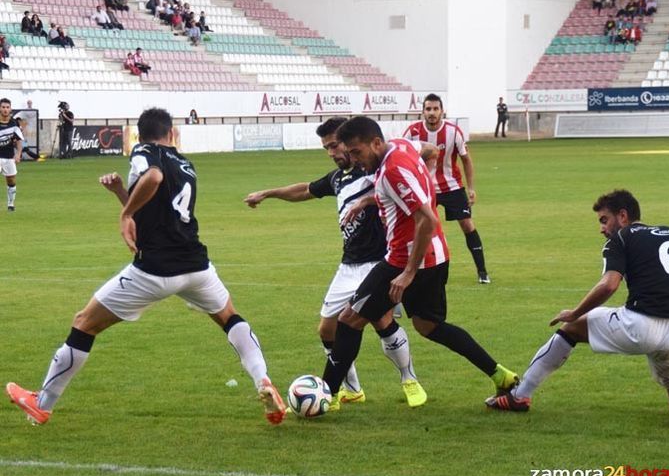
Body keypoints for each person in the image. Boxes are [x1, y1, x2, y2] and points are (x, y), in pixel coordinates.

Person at [5, 108, 287, 426]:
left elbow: (152, 179)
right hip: (197, 266)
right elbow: (151, 211)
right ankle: (263, 380)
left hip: (154, 270)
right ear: (172, 133)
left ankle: (42, 403)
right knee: (229, 317)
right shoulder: (186, 164)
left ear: (141, 135)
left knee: (84, 323)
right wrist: (120, 195)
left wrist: (124, 213)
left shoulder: (144, 151)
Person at [321, 116, 519, 412]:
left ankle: (325, 396)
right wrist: (366, 202)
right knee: (430, 326)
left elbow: (427, 219)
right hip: (438, 256)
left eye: (358, 152)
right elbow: (427, 158)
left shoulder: (391, 171)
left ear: (376, 143)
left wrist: (408, 273)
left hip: (405, 260)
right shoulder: (402, 147)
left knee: (349, 320)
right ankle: (500, 374)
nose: (355, 161)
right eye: (350, 154)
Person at [486, 190, 669, 432]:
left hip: (639, 325)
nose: (602, 228)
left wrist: (574, 312)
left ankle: (520, 395)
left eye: (604, 220)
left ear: (622, 216)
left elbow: (609, 284)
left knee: (572, 328)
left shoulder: (621, 238)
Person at [244, 117, 427, 407]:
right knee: (327, 330)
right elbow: (304, 190)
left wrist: (426, 174)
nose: (331, 152)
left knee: (381, 319)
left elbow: (425, 151)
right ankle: (352, 388)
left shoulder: (376, 167)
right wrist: (268, 193)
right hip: (348, 264)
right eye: (326, 148)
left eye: (334, 145)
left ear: (350, 142)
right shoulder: (337, 178)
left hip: (379, 260)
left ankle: (409, 379)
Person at [403, 93, 490, 284]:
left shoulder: (453, 132)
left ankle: (482, 271)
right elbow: (402, 159)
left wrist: (471, 188)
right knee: (413, 229)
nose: (432, 113)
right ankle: (408, 272)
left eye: (435, 109)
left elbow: (466, 159)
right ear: (423, 111)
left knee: (467, 225)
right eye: (428, 109)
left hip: (452, 187)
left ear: (442, 111)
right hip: (424, 189)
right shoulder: (412, 132)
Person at [0, 98, 23, 212]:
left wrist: (18, 154)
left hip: (9, 156)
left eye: (7, 107)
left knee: (11, 180)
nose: (5, 109)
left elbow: (19, 140)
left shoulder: (14, 123)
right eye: (3, 107)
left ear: (10, 109)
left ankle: (11, 204)